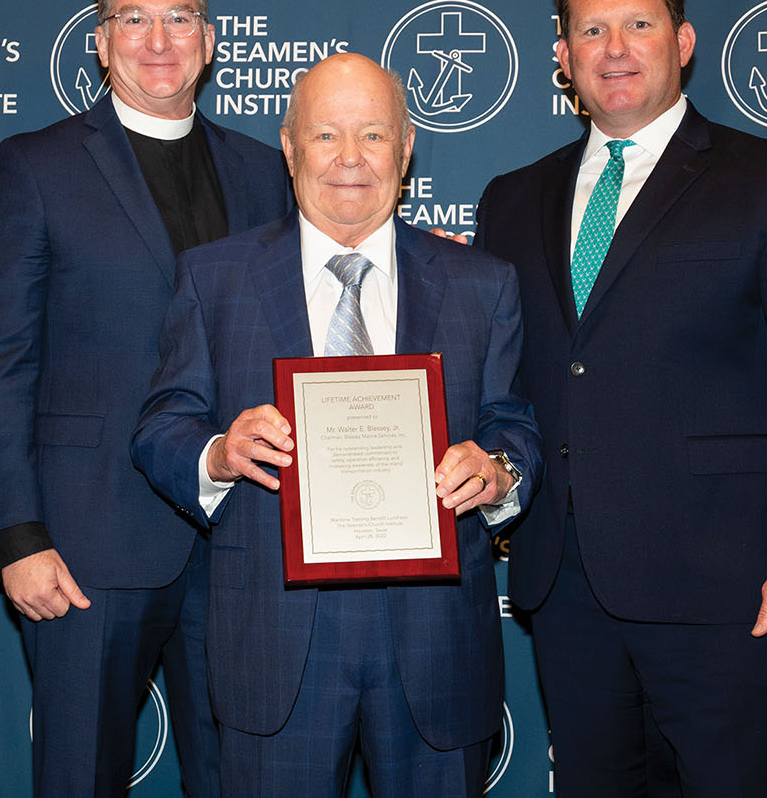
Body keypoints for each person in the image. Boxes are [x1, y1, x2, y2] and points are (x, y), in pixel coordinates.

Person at [476, 0, 767, 797]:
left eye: (638, 25)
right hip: (568, 586)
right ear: (561, 57)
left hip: (730, 589)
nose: (615, 50)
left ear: (682, 43)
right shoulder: (511, 200)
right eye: (591, 31)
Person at [131, 52, 542, 796]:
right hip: (276, 644)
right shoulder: (214, 276)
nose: (350, 159)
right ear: (289, 147)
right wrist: (219, 452)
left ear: (407, 147)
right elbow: (162, 424)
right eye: (325, 135)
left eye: (374, 136)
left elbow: (514, 423)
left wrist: (499, 469)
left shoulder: (482, 283)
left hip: (436, 644)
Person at [0, 0, 290, 797]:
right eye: (134, 19)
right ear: (102, 41)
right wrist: (18, 535)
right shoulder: (37, 165)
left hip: (241, 539)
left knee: (242, 777)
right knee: (81, 777)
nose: (159, 38)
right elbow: (0, 361)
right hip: (84, 545)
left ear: (210, 36)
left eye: (179, 17)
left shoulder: (264, 172)